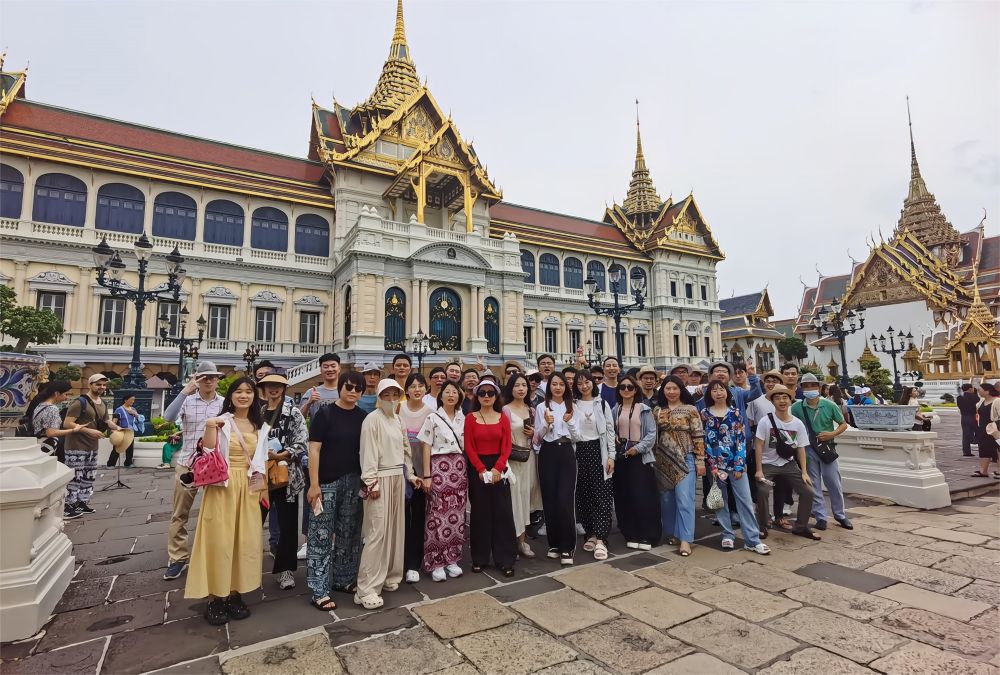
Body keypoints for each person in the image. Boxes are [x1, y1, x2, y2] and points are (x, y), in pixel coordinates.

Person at [186, 377, 269, 624]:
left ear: (254, 396)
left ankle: (234, 592)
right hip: (223, 487)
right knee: (219, 542)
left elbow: (261, 460)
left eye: (248, 392)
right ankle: (215, 597)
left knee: (244, 541)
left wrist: (263, 490)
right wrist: (209, 426)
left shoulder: (260, 426)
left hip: (248, 488)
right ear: (231, 395)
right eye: (238, 391)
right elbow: (208, 450)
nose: (244, 396)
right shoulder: (221, 421)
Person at [354, 379, 421, 610]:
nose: (391, 399)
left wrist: (410, 475)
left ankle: (390, 575)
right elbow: (367, 452)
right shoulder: (371, 420)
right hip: (379, 479)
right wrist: (371, 482)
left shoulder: (398, 420)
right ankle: (366, 588)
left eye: (395, 394)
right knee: (377, 533)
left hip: (397, 478)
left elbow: (405, 450)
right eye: (387, 394)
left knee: (395, 529)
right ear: (379, 396)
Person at [306, 372, 367, 610]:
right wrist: (314, 484)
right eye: (348, 387)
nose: (352, 392)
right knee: (321, 535)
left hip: (353, 482)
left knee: (349, 533)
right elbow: (314, 449)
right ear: (340, 387)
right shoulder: (325, 413)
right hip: (326, 482)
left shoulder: (363, 417)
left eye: (358, 389)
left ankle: (343, 578)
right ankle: (319, 590)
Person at [162, 361, 225, 580]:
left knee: (216, 513)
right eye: (203, 377)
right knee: (180, 513)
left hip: (215, 465)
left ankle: (213, 554)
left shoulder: (224, 404)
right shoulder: (187, 401)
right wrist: (184, 391)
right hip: (188, 463)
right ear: (196, 379)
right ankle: (177, 557)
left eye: (212, 377)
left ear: (218, 380)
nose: (208, 381)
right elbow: (168, 417)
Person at [701, 381, 770, 554]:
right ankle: (727, 534)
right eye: (714, 390)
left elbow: (740, 439)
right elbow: (705, 441)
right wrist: (713, 466)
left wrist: (740, 464)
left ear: (727, 393)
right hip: (715, 466)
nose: (718, 393)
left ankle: (752, 539)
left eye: (721, 389)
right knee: (720, 501)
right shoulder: (704, 414)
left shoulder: (736, 413)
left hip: (735, 464)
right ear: (709, 394)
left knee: (745, 501)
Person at [258, 372, 308, 590]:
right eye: (269, 385)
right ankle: (247, 567)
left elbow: (302, 441)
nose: (274, 389)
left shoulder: (292, 413)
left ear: (284, 388)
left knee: (288, 525)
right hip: (261, 475)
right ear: (263, 389)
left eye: (278, 385)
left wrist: (280, 455)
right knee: (254, 520)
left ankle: (285, 570)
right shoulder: (257, 412)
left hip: (287, 475)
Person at [753, 385, 820, 541]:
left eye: (785, 397)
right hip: (767, 464)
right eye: (777, 398)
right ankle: (763, 525)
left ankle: (801, 527)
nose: (782, 401)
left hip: (788, 464)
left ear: (790, 401)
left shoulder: (797, 424)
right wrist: (759, 470)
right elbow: (759, 446)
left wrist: (804, 472)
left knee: (808, 491)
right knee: (763, 491)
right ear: (772, 402)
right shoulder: (765, 421)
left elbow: (801, 449)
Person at [465, 380, 517, 576]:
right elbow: (469, 446)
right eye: (482, 393)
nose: (486, 396)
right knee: (480, 513)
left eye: (490, 393)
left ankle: (505, 559)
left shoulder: (502, 418)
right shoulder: (470, 418)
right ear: (477, 396)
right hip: (477, 467)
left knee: (503, 513)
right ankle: (479, 558)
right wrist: (480, 468)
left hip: (499, 466)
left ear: (496, 396)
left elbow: (507, 446)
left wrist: (498, 468)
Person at [418, 380, 468, 582]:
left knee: (457, 514)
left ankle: (452, 558)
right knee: (436, 514)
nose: (451, 395)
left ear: (459, 396)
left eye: (454, 392)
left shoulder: (464, 418)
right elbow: (426, 446)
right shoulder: (432, 417)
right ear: (441, 396)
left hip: (459, 468)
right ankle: (435, 560)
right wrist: (427, 475)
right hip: (439, 468)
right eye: (447, 391)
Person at [792, 373, 852, 530]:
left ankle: (840, 514)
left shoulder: (829, 405)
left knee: (834, 482)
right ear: (801, 388)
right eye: (806, 386)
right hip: (808, 449)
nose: (810, 389)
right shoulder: (797, 408)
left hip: (827, 448)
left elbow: (843, 424)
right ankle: (820, 516)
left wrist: (831, 434)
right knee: (813, 484)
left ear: (818, 388)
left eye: (813, 385)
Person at [654, 375, 705, 557]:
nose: (671, 392)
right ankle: (673, 533)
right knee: (667, 500)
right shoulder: (658, 410)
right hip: (663, 460)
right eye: (667, 388)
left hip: (686, 458)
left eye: (675, 388)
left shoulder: (691, 409)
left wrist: (700, 460)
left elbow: (698, 434)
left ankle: (685, 539)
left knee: (685, 499)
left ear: (681, 390)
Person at [533, 372, 581, 564]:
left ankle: (567, 547)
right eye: (554, 384)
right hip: (548, 452)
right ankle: (554, 544)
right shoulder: (541, 407)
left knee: (564, 499)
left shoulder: (573, 407)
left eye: (561, 384)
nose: (558, 387)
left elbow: (577, 437)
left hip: (566, 451)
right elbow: (537, 438)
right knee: (550, 498)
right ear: (549, 386)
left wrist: (569, 422)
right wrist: (547, 423)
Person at [612, 375, 661, 551]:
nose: (626, 390)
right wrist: (615, 437)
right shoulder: (615, 409)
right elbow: (610, 429)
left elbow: (651, 434)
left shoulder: (644, 409)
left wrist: (638, 448)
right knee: (624, 496)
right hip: (621, 457)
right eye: (623, 387)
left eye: (630, 387)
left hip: (639, 457)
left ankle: (648, 534)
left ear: (635, 390)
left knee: (643, 497)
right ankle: (630, 533)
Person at [63, 374, 121, 519]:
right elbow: (67, 423)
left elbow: (107, 421)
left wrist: (119, 429)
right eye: (98, 384)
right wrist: (88, 430)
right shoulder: (80, 402)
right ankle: (68, 505)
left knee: (88, 476)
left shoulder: (103, 403)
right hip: (76, 445)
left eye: (104, 385)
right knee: (75, 476)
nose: (101, 387)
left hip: (92, 446)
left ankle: (81, 502)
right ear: (90, 385)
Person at [571, 370, 615, 561]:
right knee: (584, 495)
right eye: (580, 383)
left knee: (602, 495)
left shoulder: (601, 403)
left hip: (599, 450)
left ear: (593, 383)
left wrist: (611, 456)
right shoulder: (573, 405)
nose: (584, 386)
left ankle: (601, 539)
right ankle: (590, 533)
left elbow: (610, 431)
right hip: (579, 451)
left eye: (587, 382)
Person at [399, 373, 434, 583]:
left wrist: (427, 474)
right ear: (407, 390)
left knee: (419, 517)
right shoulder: (398, 409)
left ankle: (413, 563)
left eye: (421, 386)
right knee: (401, 518)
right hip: (400, 473)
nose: (417, 389)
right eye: (413, 386)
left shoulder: (430, 413)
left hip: (421, 474)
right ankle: (399, 560)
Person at [502, 373, 538, 559]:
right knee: (512, 500)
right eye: (517, 385)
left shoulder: (531, 410)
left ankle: (522, 542)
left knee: (524, 499)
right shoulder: (505, 410)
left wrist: (535, 433)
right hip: (512, 461)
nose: (521, 388)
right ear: (511, 388)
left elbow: (539, 438)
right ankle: (510, 541)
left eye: (524, 385)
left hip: (528, 459)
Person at [23, 380, 82, 472]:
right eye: (66, 394)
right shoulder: (52, 409)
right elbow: (51, 433)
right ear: (56, 393)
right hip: (48, 446)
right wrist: (74, 430)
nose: (67, 397)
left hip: (39, 444)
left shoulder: (40, 405)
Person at [300, 353, 341, 420]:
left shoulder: (346, 391)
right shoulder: (311, 393)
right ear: (320, 369)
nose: (330, 369)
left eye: (333, 366)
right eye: (326, 367)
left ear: (339, 368)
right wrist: (309, 403)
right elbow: (299, 419)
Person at [973, 382, 1000, 479]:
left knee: (998, 450)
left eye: (980, 390)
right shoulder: (981, 401)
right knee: (984, 449)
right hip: (983, 429)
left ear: (987, 391)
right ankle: (983, 471)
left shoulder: (997, 401)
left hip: (995, 429)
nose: (978, 392)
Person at [109, 394, 143, 468]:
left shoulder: (133, 409)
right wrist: (113, 429)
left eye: (134, 400)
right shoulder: (119, 409)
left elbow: (139, 420)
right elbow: (114, 420)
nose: (133, 401)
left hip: (130, 432)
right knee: (117, 448)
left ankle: (128, 463)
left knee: (130, 448)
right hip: (122, 431)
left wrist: (135, 414)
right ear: (125, 400)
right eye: (131, 400)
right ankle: (111, 464)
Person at [957, 383, 980, 457]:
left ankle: (966, 452)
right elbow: (978, 406)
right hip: (974, 416)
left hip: (964, 417)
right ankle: (981, 449)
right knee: (979, 433)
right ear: (970, 389)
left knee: (965, 435)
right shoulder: (975, 397)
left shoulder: (959, 397)